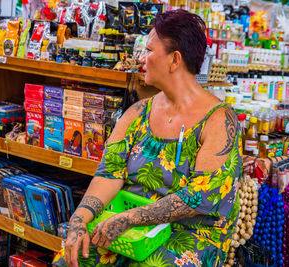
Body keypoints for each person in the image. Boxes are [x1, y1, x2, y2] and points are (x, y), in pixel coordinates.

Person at [64, 9, 243, 267]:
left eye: (148, 50)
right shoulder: (137, 113)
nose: (141, 58)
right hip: (132, 230)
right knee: (74, 257)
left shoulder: (219, 120)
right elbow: (109, 173)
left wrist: (129, 219)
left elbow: (199, 197)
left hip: (188, 234)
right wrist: (79, 219)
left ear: (175, 60)